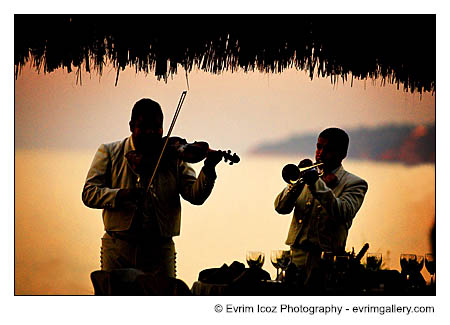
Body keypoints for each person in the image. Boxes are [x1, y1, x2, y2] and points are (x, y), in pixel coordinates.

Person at [82, 98, 222, 279]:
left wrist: (209, 168)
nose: (150, 133)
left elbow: (195, 196)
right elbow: (89, 193)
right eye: (144, 127)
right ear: (131, 126)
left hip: (160, 250)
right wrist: (122, 194)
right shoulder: (109, 152)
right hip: (118, 249)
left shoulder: (173, 155)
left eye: (156, 128)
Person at [274, 127, 368, 289]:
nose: (320, 153)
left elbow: (343, 213)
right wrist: (296, 184)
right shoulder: (307, 176)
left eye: (328, 149)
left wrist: (316, 184)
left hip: (326, 265)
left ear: (342, 154)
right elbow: (281, 207)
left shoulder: (355, 183)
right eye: (319, 147)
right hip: (295, 260)